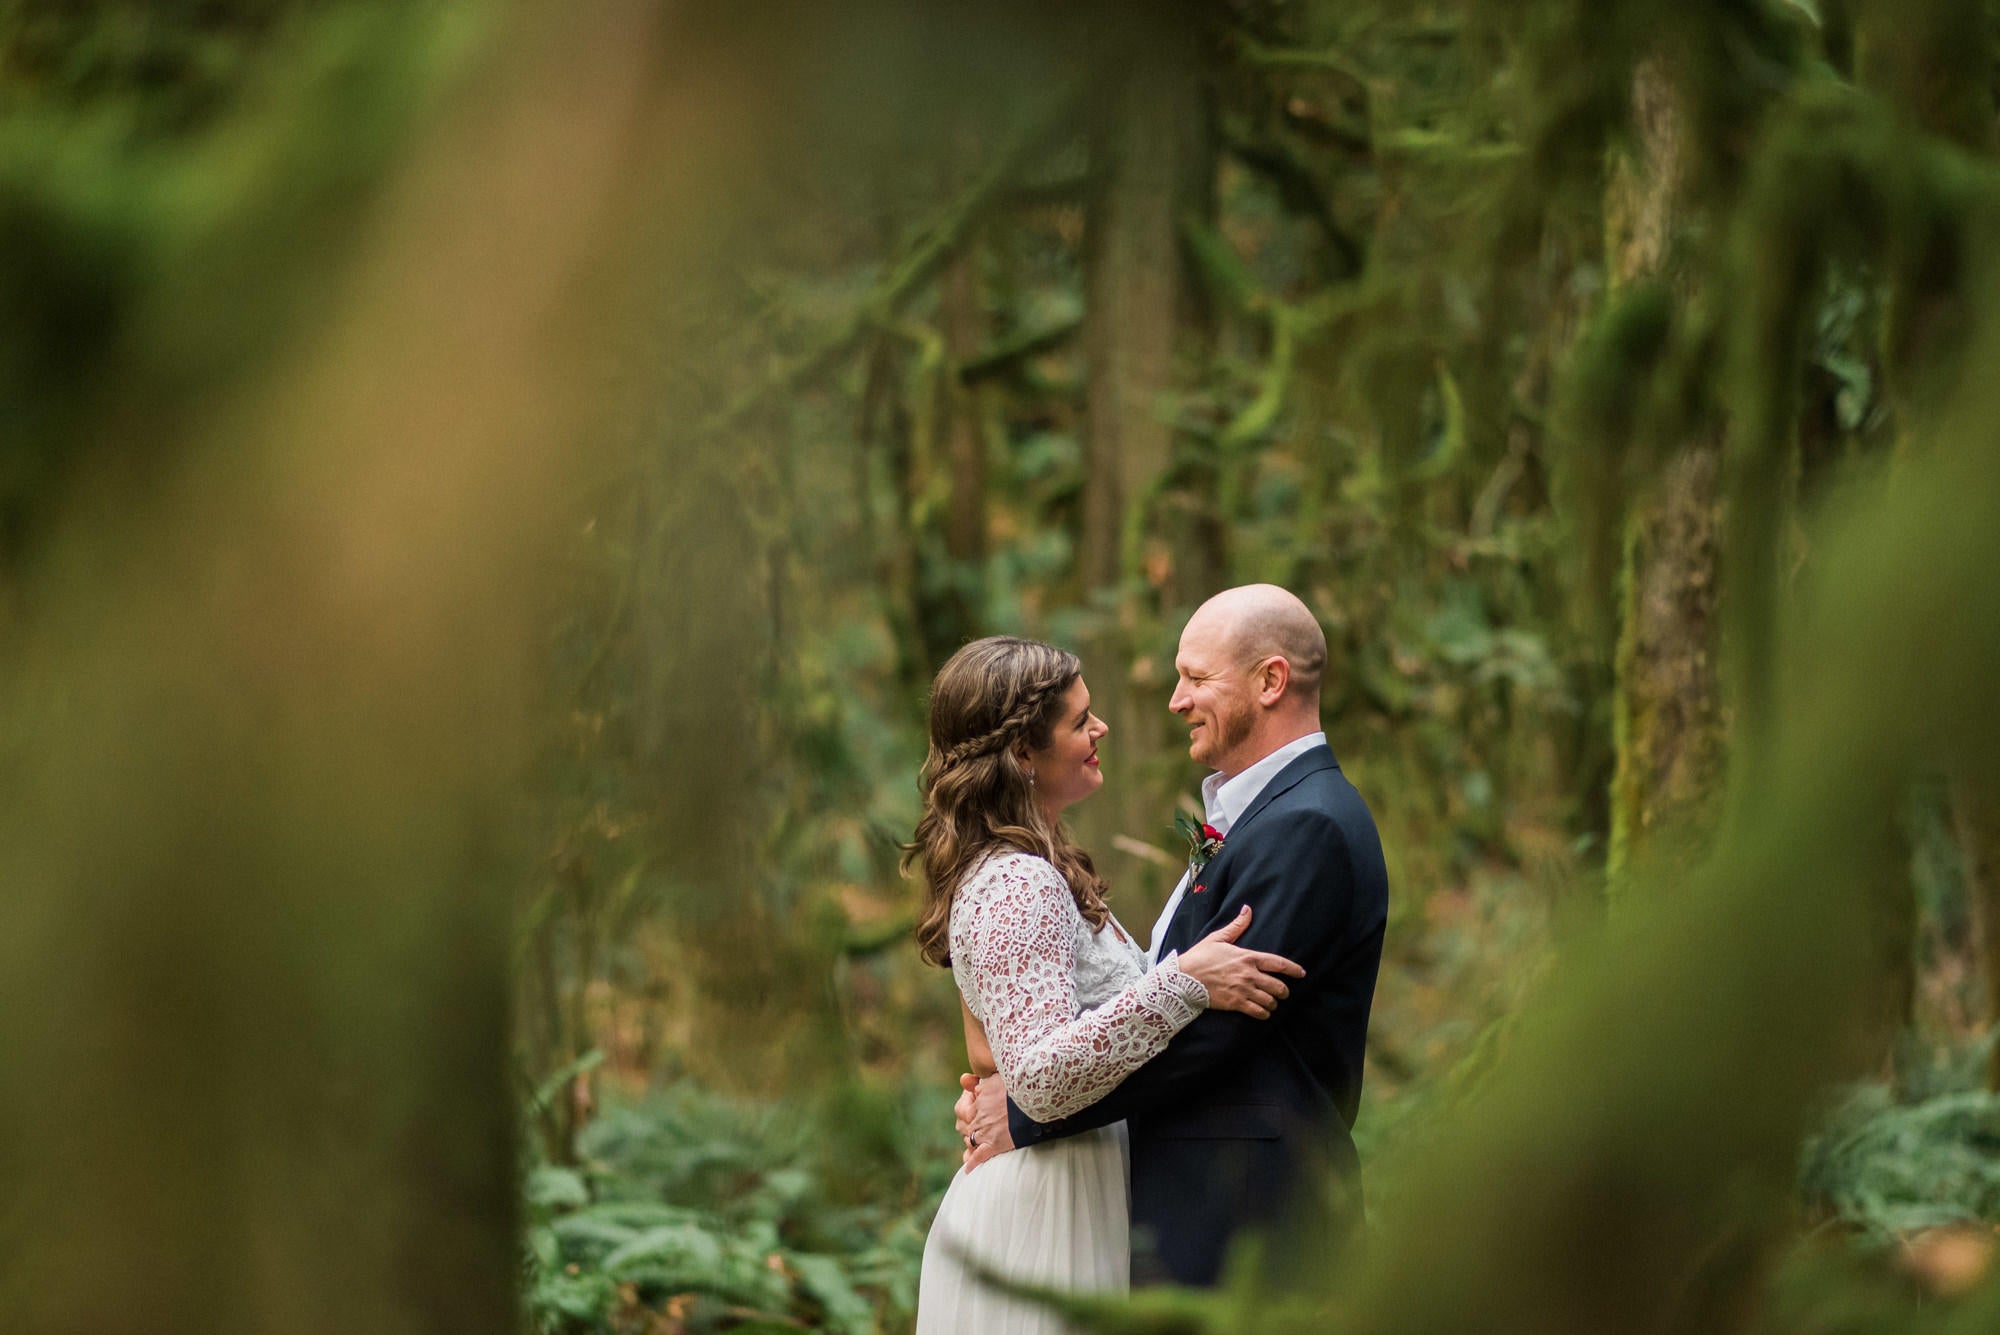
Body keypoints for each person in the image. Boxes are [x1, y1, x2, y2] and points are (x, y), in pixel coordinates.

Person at [955, 585, 1388, 1288]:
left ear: (1270, 681)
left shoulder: (1306, 825)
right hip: (1198, 1210)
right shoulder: (1259, 814)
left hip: (1250, 1218)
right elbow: (1163, 992)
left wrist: (1030, 1112)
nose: (1175, 699)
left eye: (1195, 677)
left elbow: (1212, 1034)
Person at [909, 635, 1306, 1335]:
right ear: (1023, 753)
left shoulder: (1035, 863)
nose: (1101, 729)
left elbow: (1006, 1056)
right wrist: (1184, 982)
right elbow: (1037, 1078)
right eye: (1078, 720)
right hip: (1038, 1216)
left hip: (1074, 1189)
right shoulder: (1016, 882)